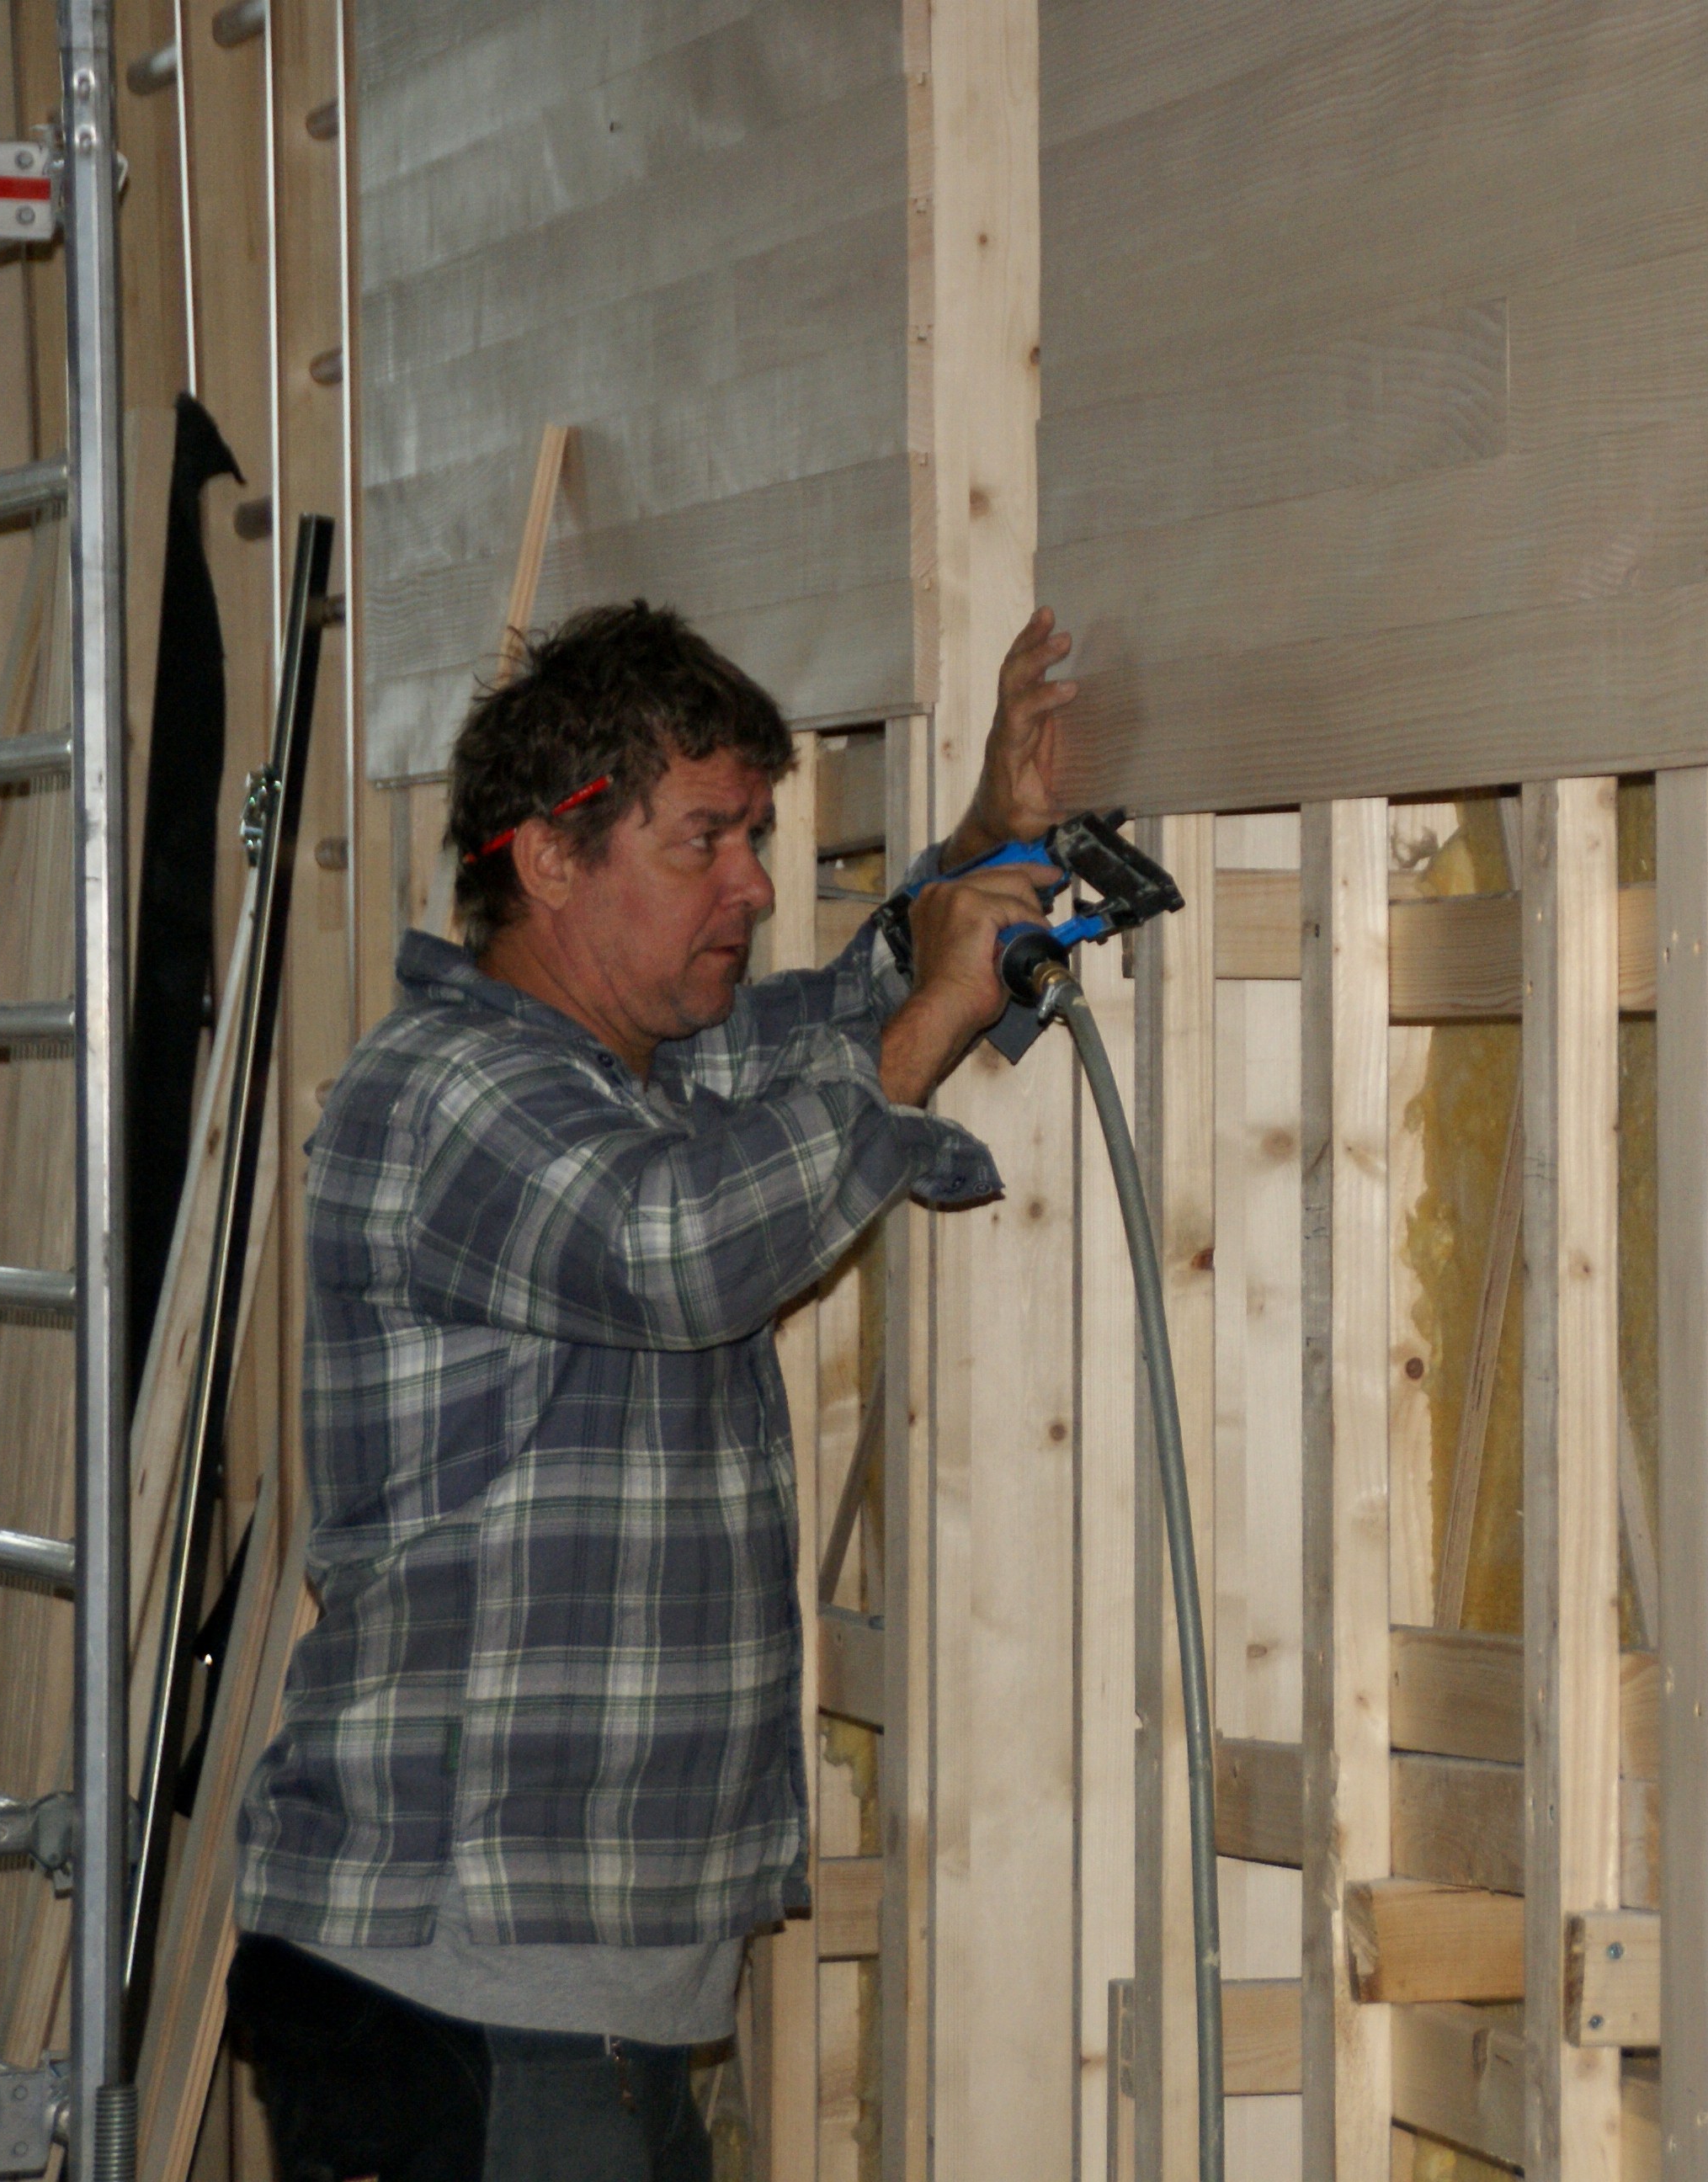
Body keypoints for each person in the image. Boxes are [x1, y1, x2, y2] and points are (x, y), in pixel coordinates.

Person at [225, 599, 1076, 2182]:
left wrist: (979, 852)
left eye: (755, 836)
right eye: (707, 839)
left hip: (558, 2000)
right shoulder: (449, 1091)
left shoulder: (630, 1075)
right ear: (551, 856)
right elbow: (679, 1247)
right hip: (465, 1989)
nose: (754, 884)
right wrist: (934, 1022)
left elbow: (826, 1028)